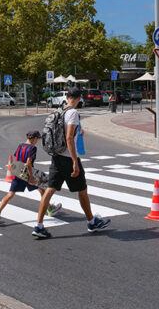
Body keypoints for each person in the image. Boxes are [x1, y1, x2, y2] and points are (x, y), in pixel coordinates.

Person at [32, 86, 110, 239]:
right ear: (79, 99)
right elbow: (68, 138)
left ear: (67, 97)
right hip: (68, 158)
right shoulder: (73, 113)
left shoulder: (59, 111)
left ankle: (39, 226)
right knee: (82, 190)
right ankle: (91, 222)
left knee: (49, 190)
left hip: (56, 156)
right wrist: (75, 161)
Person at [0, 130, 62, 226]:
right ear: (34, 138)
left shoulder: (20, 145)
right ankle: (50, 209)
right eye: (37, 139)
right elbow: (28, 163)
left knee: (10, 194)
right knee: (43, 189)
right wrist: (31, 177)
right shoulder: (32, 148)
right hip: (28, 174)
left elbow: (15, 159)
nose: (37, 141)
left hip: (18, 173)